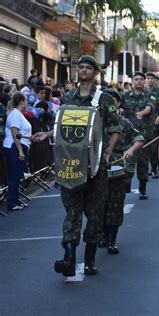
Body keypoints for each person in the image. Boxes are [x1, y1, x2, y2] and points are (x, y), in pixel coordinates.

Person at [32, 55, 121, 277]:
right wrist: (47, 133)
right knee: (72, 212)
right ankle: (69, 258)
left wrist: (108, 150)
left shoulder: (104, 99)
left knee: (94, 213)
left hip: (95, 166)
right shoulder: (68, 98)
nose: (82, 70)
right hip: (70, 165)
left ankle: (89, 259)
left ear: (95, 72)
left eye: (87, 67)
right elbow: (64, 127)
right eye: (79, 67)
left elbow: (115, 129)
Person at [99, 88, 144, 254]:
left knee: (115, 205)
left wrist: (131, 150)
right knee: (98, 204)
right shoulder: (95, 121)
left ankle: (112, 239)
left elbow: (139, 138)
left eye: (113, 100)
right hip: (97, 166)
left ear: (118, 103)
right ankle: (102, 234)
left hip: (117, 167)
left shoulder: (124, 123)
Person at [121, 72, 155, 199]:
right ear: (132, 81)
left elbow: (150, 107)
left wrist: (142, 113)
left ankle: (142, 189)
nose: (139, 81)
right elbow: (121, 107)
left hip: (144, 134)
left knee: (143, 163)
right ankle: (126, 185)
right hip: (129, 134)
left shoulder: (150, 95)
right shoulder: (125, 96)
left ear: (144, 81)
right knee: (128, 160)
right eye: (136, 79)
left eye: (141, 79)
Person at [3, 92, 31, 211]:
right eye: (26, 101)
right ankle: (12, 203)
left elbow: (21, 134)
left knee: (17, 176)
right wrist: (20, 151)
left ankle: (16, 200)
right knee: (14, 176)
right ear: (21, 102)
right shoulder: (15, 114)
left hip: (18, 147)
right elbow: (15, 134)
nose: (27, 104)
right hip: (14, 147)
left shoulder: (18, 114)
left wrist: (30, 137)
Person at [145, 72, 159, 178]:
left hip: (155, 124)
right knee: (144, 148)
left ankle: (153, 168)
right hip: (143, 125)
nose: (149, 80)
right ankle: (145, 168)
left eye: (151, 78)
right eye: (147, 78)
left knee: (153, 147)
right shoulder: (142, 93)